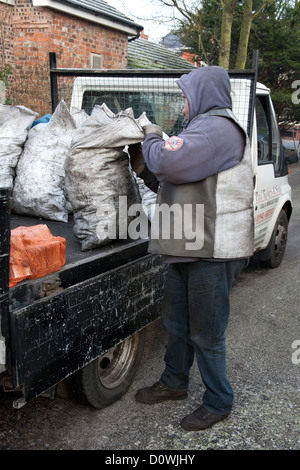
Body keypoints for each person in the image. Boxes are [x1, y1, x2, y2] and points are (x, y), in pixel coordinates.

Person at [128, 66, 254, 431]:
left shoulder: (218, 128)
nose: (182, 106)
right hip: (189, 244)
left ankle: (218, 401)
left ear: (201, 95)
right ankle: (174, 383)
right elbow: (177, 183)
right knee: (177, 322)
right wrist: (144, 166)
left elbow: (168, 160)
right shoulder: (201, 130)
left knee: (206, 331)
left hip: (213, 250)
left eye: (185, 97)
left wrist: (151, 136)